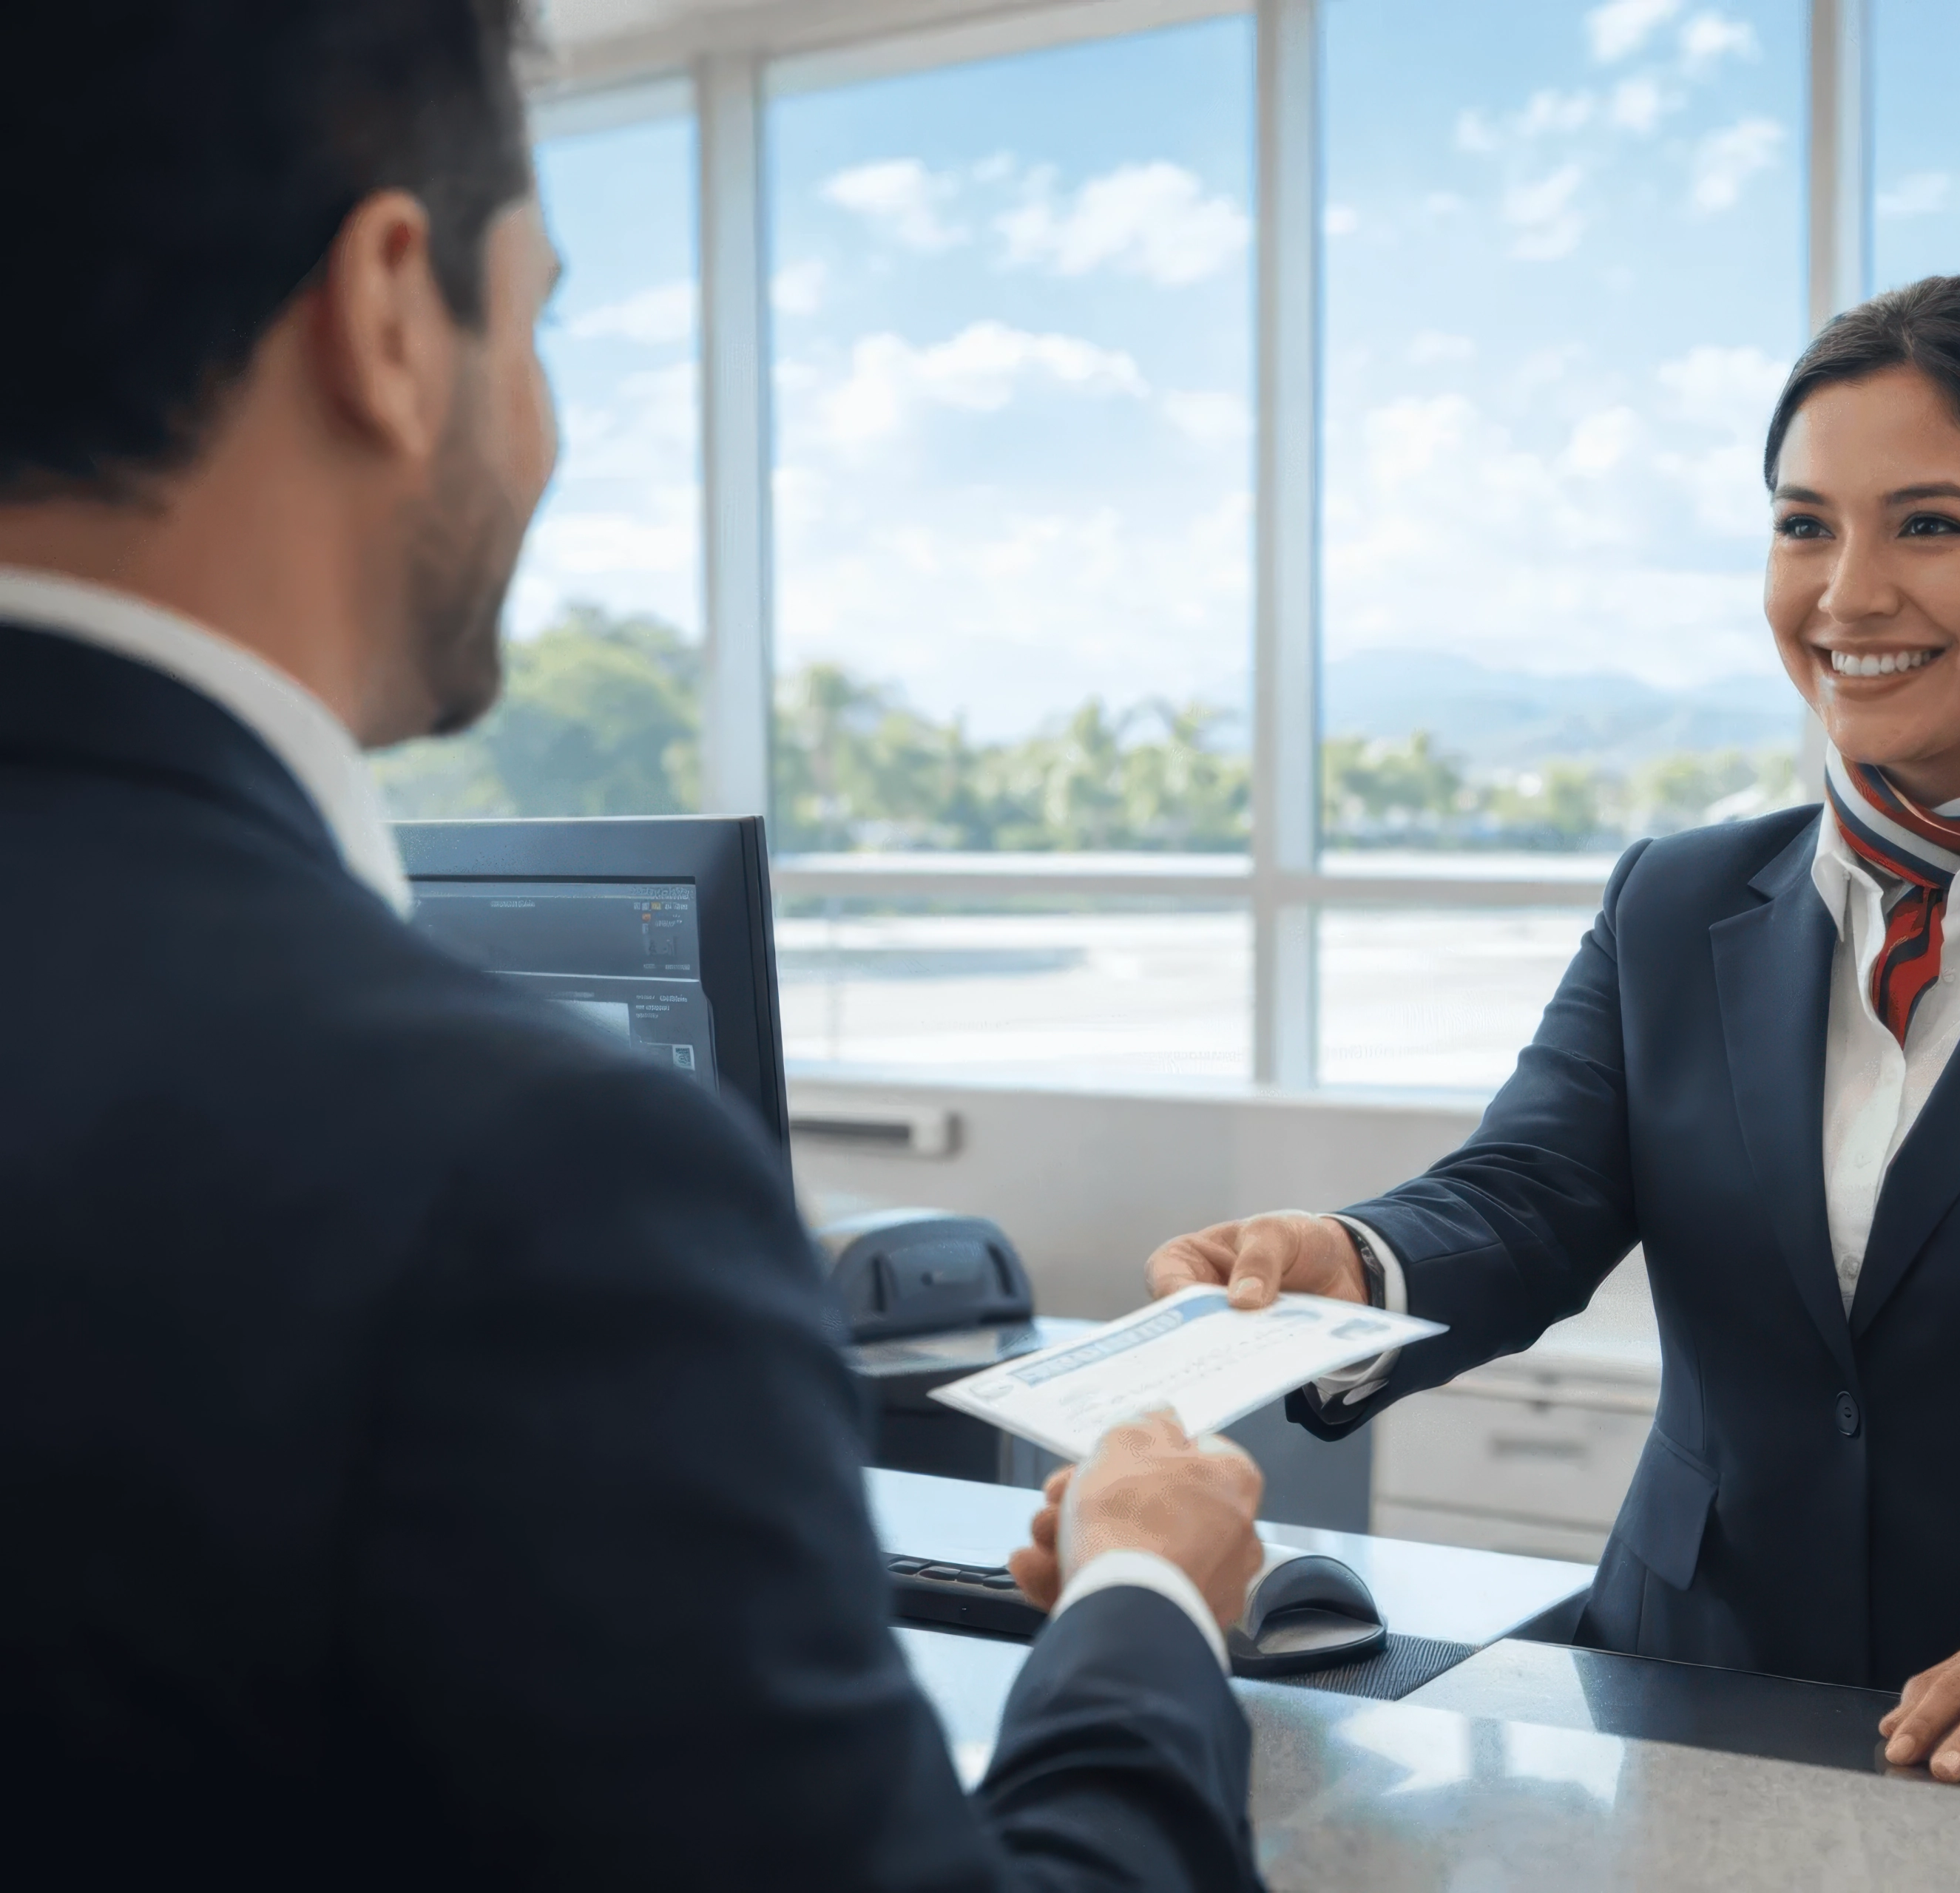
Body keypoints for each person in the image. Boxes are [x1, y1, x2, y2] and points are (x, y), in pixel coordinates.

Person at [0, 6, 1263, 1887]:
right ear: (389, 313)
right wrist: (1147, 1592)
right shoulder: (531, 1173)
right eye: (541, 320)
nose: (546, 429)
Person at [1150, 274, 1960, 1789]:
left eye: (1929, 524)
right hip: (1690, 1704)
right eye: (1803, 526)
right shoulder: (1676, 901)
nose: (1848, 594)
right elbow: (1528, 1196)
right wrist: (1351, 1260)